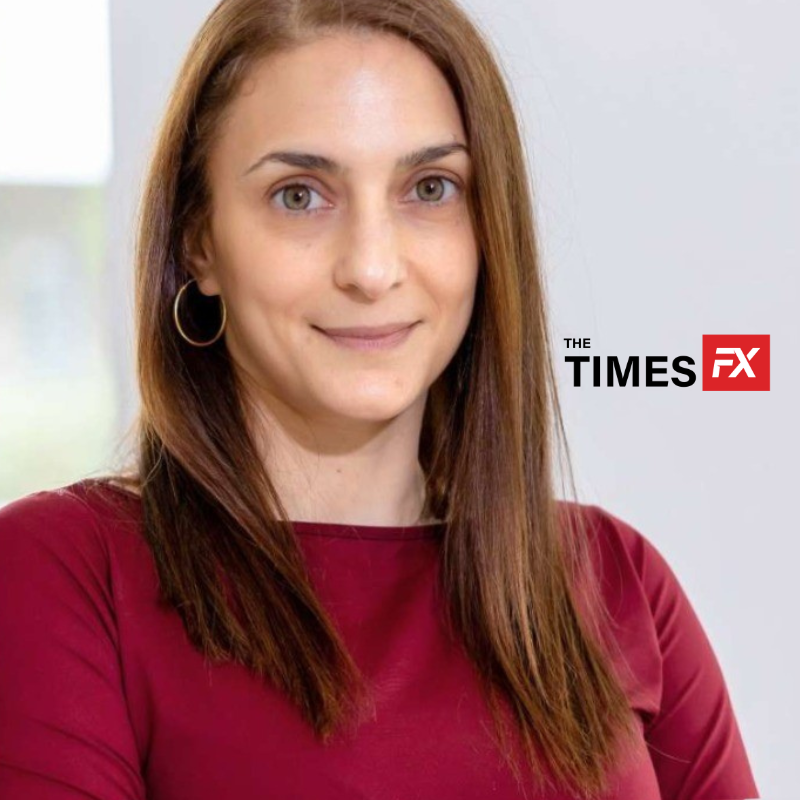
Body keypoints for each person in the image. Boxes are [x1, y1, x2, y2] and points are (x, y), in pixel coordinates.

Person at [0, 1, 759, 798]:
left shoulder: (616, 583)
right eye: (299, 195)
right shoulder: (62, 579)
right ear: (199, 241)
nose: (371, 267)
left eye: (430, 188)